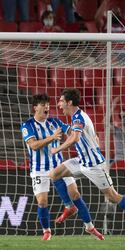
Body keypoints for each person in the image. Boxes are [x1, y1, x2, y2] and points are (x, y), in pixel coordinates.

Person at [48, 88, 125, 240]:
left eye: (62, 101)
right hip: (81, 161)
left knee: (112, 196)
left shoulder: (79, 118)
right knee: (54, 174)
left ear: (69, 102)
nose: (59, 104)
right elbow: (79, 134)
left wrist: (58, 148)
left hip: (94, 165)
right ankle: (70, 207)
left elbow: (75, 137)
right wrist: (61, 126)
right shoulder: (78, 117)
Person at [21, 94, 86, 240]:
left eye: (48, 104)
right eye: (43, 104)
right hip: (39, 169)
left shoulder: (55, 121)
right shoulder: (27, 125)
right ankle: (47, 231)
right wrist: (52, 137)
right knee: (42, 202)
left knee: (75, 194)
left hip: (59, 166)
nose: (47, 107)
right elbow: (33, 145)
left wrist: (84, 135)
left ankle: (90, 226)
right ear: (35, 107)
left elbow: (73, 132)